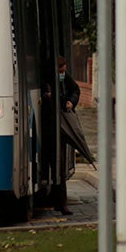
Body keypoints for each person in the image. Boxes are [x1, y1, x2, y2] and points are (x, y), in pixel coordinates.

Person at [41, 56, 81, 215]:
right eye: (61, 71)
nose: (63, 74)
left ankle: (60, 202)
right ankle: (52, 197)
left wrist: (71, 101)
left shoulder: (64, 80)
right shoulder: (44, 81)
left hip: (58, 130)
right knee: (49, 165)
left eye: (64, 71)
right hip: (46, 130)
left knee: (59, 166)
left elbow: (75, 90)